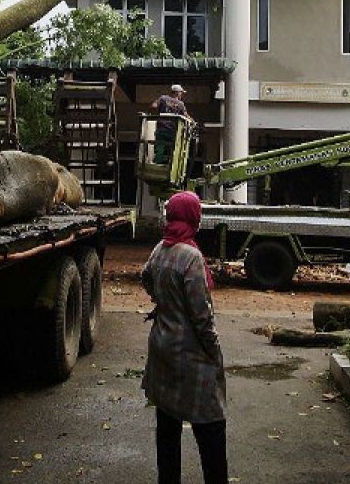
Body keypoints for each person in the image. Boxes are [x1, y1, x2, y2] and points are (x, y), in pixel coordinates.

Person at [141, 191, 227, 484]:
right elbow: (202, 317)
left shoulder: (161, 248)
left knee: (167, 427)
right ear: (193, 217)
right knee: (211, 429)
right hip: (191, 356)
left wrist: (163, 301)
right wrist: (214, 352)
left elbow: (145, 277)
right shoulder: (190, 256)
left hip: (162, 349)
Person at [150, 84, 191, 164]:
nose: (181, 94)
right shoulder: (180, 104)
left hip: (161, 129)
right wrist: (193, 122)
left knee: (160, 149)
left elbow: (153, 106)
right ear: (177, 93)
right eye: (181, 93)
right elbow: (186, 116)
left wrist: (157, 113)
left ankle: (157, 164)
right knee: (172, 150)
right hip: (172, 131)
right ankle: (170, 166)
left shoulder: (163, 98)